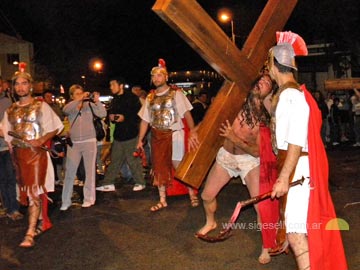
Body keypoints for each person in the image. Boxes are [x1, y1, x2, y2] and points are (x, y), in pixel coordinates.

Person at [268, 31, 347, 270]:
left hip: (297, 170)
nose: (267, 70)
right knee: (296, 231)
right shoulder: (288, 94)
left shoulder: (292, 96)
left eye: (268, 64)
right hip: (293, 168)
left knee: (296, 233)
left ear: (275, 65)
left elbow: (295, 142)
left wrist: (283, 178)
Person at [195, 74, 278, 264]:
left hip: (249, 161)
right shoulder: (236, 103)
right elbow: (211, 118)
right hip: (226, 157)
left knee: (260, 206)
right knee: (207, 195)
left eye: (266, 83)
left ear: (269, 92)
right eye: (259, 80)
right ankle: (211, 222)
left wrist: (233, 138)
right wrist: (194, 131)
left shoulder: (264, 119)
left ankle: (267, 246)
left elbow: (258, 152)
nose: (261, 84)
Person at [0, 63, 63, 247]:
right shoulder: (10, 110)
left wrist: (42, 139)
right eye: (17, 84)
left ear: (30, 85)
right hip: (19, 156)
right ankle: (41, 222)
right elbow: (6, 131)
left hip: (36, 155)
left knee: (34, 192)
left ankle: (29, 233)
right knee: (26, 193)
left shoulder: (40, 106)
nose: (20, 87)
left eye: (23, 83)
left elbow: (56, 126)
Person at [136, 59, 199, 211]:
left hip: (174, 134)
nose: (156, 78)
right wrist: (140, 140)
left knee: (180, 165)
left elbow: (186, 114)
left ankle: (192, 194)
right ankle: (162, 200)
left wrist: (192, 132)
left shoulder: (176, 93)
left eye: (159, 75)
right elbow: (145, 121)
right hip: (157, 136)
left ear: (166, 77)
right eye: (154, 76)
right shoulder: (150, 98)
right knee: (159, 169)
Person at [96, 77, 146, 192]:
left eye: (113, 84)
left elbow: (139, 116)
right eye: (110, 85)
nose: (111, 87)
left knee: (132, 161)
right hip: (118, 135)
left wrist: (125, 118)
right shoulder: (114, 99)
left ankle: (140, 182)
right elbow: (111, 113)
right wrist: (112, 117)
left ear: (121, 85)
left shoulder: (132, 98)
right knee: (115, 160)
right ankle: (108, 183)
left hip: (131, 134)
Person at [60, 85, 106, 210]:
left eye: (81, 93)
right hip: (74, 143)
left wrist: (97, 101)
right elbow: (65, 110)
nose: (81, 95)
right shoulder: (71, 106)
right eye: (77, 93)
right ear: (72, 96)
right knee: (70, 172)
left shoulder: (89, 105)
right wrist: (79, 100)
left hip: (89, 141)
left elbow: (102, 113)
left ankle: (89, 198)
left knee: (90, 171)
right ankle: (66, 200)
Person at [0, 77, 23, 221]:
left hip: (5, 146)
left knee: (9, 178)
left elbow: (12, 122)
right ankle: (7, 207)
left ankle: (12, 208)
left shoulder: (7, 101)